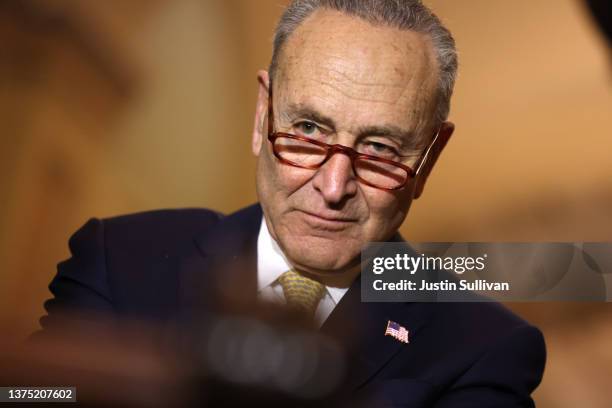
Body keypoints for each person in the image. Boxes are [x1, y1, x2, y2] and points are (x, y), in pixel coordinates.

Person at [39, 0, 545, 406]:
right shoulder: (119, 257)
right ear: (263, 114)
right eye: (307, 130)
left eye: (380, 150)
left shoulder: (481, 349)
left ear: (429, 159)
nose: (333, 186)